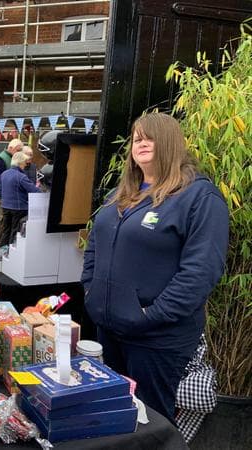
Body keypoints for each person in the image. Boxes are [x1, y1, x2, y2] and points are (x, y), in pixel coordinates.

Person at [80, 112, 229, 423]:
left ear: (170, 143)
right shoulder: (119, 195)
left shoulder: (199, 197)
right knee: (112, 418)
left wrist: (151, 315)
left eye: (150, 137)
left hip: (156, 341)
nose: (141, 143)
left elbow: (200, 273)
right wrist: (91, 290)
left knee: (150, 425)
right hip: (109, 330)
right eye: (136, 138)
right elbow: (94, 245)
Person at [0, 152, 40, 247]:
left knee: (5, 231)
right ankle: (11, 255)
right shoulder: (21, 177)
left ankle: (2, 253)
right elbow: (34, 190)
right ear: (20, 163)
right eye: (25, 162)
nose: (26, 164)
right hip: (19, 208)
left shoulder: (4, 174)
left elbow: (0, 191)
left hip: (5, 207)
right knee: (15, 233)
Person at [0, 138, 23, 249]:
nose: (20, 152)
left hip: (7, 193)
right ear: (11, 148)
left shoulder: (10, 157)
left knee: (5, 220)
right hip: (2, 194)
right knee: (2, 220)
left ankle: (2, 245)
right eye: (18, 150)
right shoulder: (1, 159)